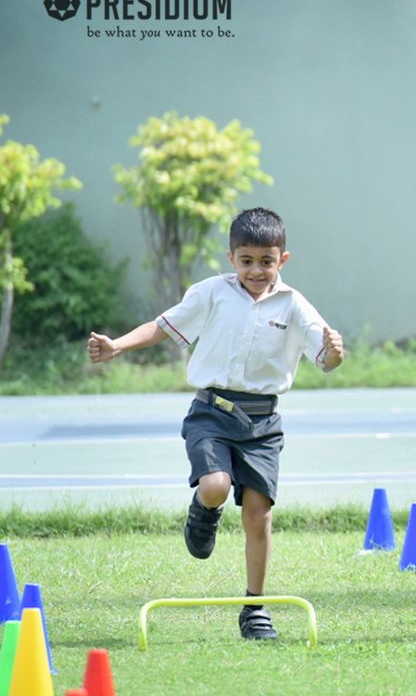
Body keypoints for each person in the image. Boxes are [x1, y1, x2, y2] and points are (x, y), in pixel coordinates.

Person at [87, 207, 344, 641]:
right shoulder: (211, 293)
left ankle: (254, 610)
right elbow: (162, 327)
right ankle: (203, 514)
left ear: (283, 259)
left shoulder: (295, 304)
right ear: (231, 258)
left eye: (266, 260)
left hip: (262, 422)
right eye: (246, 260)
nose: (256, 270)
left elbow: (327, 358)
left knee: (258, 516)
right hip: (211, 411)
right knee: (215, 486)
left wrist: (335, 351)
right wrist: (118, 346)